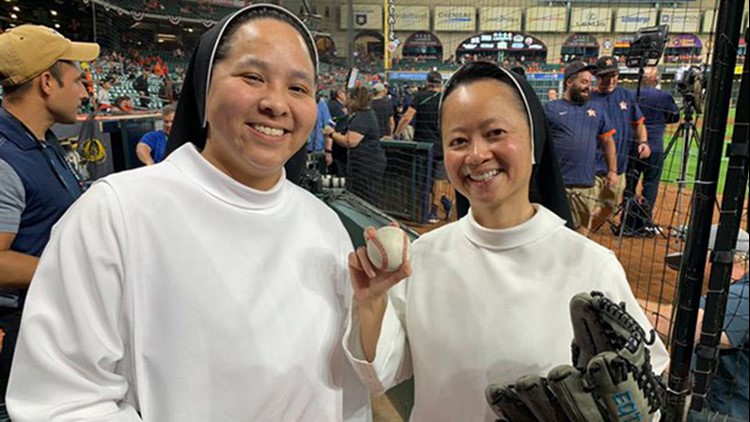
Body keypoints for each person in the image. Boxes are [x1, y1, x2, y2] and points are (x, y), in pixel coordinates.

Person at [6, 5, 369, 421]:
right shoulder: (115, 213)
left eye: (299, 89)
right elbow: (62, 400)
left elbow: (341, 391)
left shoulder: (322, 223)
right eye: (253, 77)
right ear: (204, 85)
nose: (276, 103)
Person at [343, 61, 668, 421]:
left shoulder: (591, 263)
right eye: (458, 140)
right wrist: (371, 303)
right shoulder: (423, 256)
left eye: (495, 132)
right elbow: (379, 373)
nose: (477, 154)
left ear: (533, 142)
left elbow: (645, 386)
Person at [0, 24, 99, 417]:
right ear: (46, 82)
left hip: (48, 320)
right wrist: (77, 268)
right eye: (77, 79)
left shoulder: (42, 141)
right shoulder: (6, 157)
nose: (84, 90)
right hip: (21, 334)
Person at [644, 226, 748, 420]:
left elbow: (682, 326)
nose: (692, 273)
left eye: (697, 265)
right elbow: (683, 374)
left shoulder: (743, 295)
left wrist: (617, 299)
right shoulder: (725, 298)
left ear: (716, 259)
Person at [545, 61, 618, 232]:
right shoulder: (550, 109)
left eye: (590, 83)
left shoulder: (596, 110)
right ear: (569, 82)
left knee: (581, 234)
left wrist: (612, 170)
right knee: (553, 233)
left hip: (585, 184)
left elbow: (607, 141)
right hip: (557, 183)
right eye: (584, 82)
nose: (588, 87)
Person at [589, 56, 650, 230]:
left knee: (610, 206)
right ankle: (583, 236)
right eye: (604, 76)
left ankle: (588, 232)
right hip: (593, 165)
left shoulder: (625, 95)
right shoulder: (589, 98)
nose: (609, 79)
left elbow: (638, 124)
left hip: (619, 167)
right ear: (597, 77)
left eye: (613, 74)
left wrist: (644, 142)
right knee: (586, 207)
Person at [624, 67, 680, 226]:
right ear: (657, 80)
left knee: (630, 184)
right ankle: (644, 221)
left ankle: (627, 220)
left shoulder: (630, 95)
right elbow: (674, 116)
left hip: (632, 145)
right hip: (654, 146)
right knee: (650, 184)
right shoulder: (664, 96)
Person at [394, 71, 450, 222]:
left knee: (422, 178)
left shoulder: (420, 96)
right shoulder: (445, 99)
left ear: (427, 82)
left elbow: (407, 117)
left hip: (423, 145)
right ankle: (435, 210)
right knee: (438, 180)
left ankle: (421, 209)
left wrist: (396, 133)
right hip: (441, 145)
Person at [325, 86, 386, 205]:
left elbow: (350, 141)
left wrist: (331, 133)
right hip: (362, 163)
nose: (347, 102)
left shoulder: (363, 116)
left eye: (350, 99)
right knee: (358, 196)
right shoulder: (362, 114)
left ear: (355, 100)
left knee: (366, 199)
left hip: (367, 164)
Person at [327, 87, 348, 176]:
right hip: (336, 144)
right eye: (344, 93)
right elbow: (335, 126)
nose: (346, 95)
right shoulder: (335, 106)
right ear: (339, 94)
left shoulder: (335, 105)